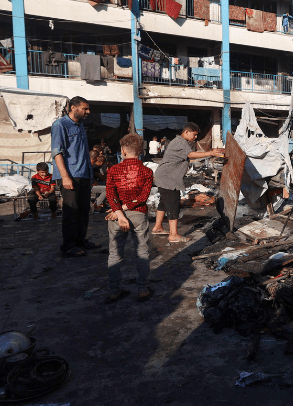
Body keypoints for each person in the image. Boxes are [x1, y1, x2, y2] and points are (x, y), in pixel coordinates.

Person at [103, 133, 155, 304]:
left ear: (123, 151)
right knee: (142, 252)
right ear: (140, 151)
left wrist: (118, 212)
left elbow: (110, 194)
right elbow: (142, 198)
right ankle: (142, 289)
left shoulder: (113, 170)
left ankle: (114, 291)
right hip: (138, 214)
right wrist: (124, 209)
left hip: (116, 216)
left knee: (115, 254)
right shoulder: (147, 171)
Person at [151, 123, 224, 243]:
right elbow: (190, 154)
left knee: (164, 202)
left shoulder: (178, 141)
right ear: (186, 132)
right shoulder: (181, 142)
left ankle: (157, 227)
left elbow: (191, 157)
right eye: (194, 135)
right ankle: (173, 235)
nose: (195, 137)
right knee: (173, 204)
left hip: (164, 176)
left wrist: (208, 153)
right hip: (168, 178)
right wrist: (209, 153)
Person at [51, 96, 93, 258]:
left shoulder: (80, 125)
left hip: (83, 174)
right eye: (85, 108)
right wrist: (65, 177)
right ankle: (68, 246)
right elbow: (57, 152)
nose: (88, 112)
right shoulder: (60, 125)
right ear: (74, 108)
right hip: (69, 175)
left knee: (83, 210)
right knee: (71, 211)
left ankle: (80, 240)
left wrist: (89, 175)